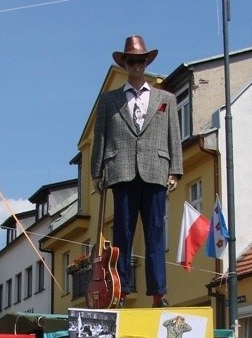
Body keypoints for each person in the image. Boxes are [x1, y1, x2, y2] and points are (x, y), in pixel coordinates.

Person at [91, 35, 183, 309]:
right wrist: (96, 172)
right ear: (125, 63)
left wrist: (175, 170)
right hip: (121, 170)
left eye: (140, 60)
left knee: (155, 232)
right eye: (131, 60)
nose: (136, 65)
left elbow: (173, 136)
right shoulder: (108, 101)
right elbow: (100, 138)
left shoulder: (165, 98)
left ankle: (159, 293)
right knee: (123, 235)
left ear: (146, 62)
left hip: (156, 169)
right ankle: (121, 290)